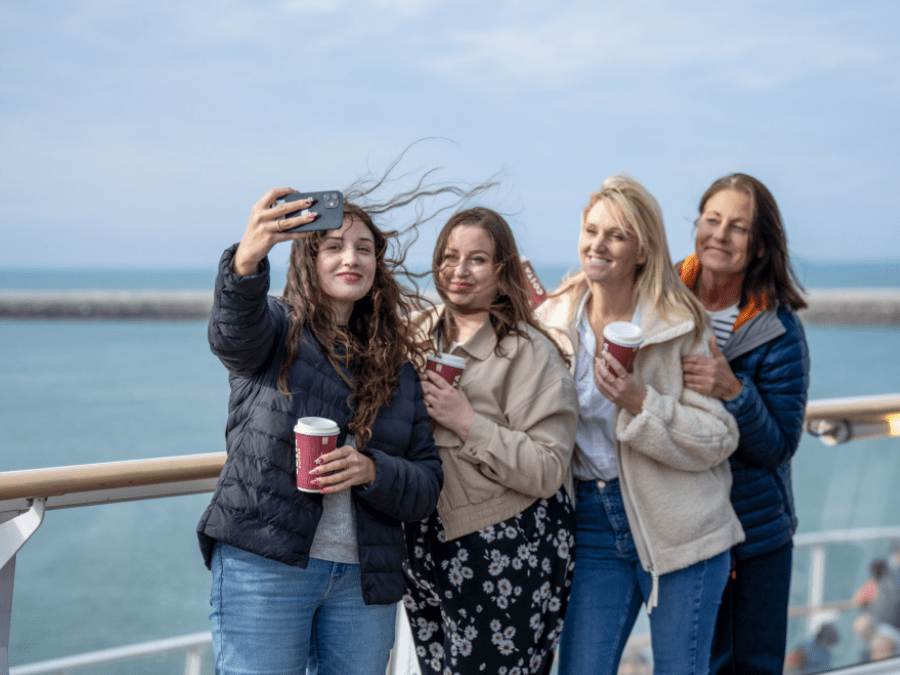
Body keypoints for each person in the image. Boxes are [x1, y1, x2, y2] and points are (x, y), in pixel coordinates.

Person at [196, 187, 444, 674]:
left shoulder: (398, 370)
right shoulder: (276, 330)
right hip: (266, 564)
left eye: (364, 248)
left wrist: (371, 470)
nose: (350, 257)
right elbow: (231, 331)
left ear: (377, 265)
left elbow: (426, 485)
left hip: (361, 578)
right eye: (333, 246)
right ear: (309, 259)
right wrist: (249, 254)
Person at [538, 174, 744, 675]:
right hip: (589, 518)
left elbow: (719, 437)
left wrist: (639, 401)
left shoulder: (679, 324)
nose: (598, 244)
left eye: (616, 235)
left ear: (643, 251)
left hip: (680, 527)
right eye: (591, 231)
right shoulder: (551, 321)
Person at [402, 207, 578, 675]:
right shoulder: (416, 335)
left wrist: (467, 422)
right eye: (449, 256)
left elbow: (548, 468)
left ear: (504, 273)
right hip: (421, 544)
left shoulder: (529, 351)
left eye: (477, 259)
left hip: (503, 548)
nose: (459, 271)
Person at [677, 173, 811, 675]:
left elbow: (778, 443)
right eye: (711, 220)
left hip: (752, 536)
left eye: (737, 227)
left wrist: (733, 390)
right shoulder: (660, 296)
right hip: (679, 523)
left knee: (748, 666)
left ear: (758, 247)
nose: (719, 235)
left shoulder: (777, 329)